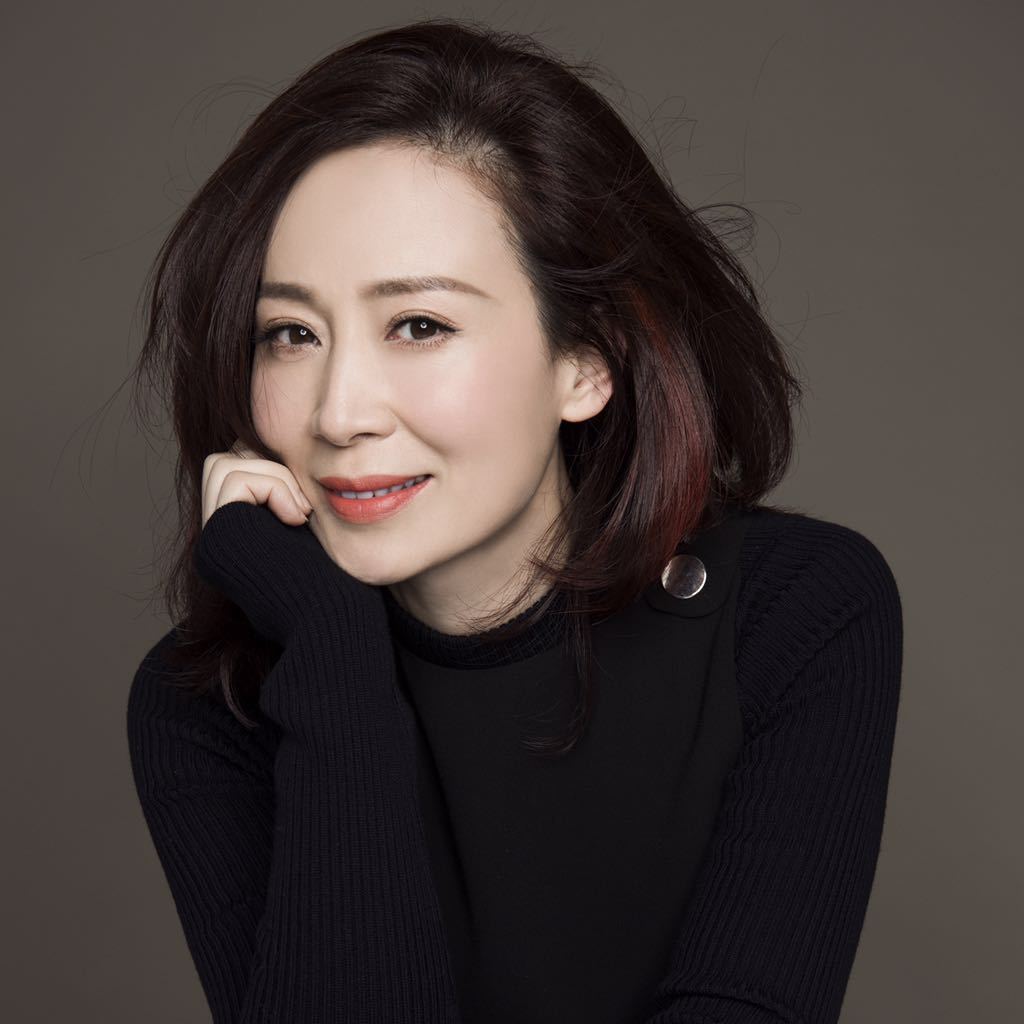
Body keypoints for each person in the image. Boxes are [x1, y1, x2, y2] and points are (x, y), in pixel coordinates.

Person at [125, 16, 903, 1024]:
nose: (338, 413)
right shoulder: (211, 704)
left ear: (586, 361)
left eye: (419, 325)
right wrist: (333, 658)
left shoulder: (792, 616)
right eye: (291, 334)